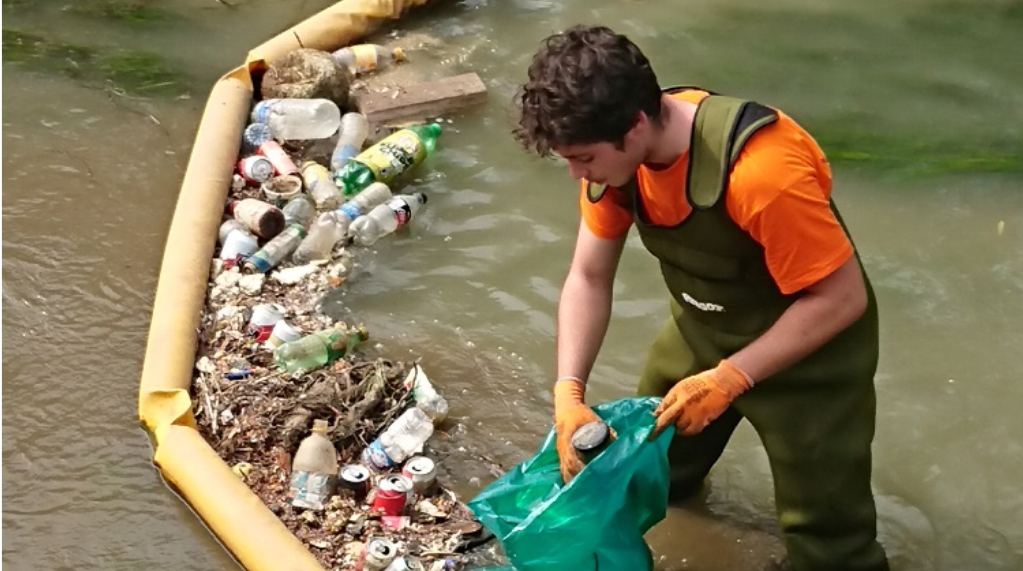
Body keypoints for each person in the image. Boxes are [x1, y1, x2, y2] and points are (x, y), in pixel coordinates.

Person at [513, 25, 889, 571]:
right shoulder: (615, 160)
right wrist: (568, 395)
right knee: (647, 471)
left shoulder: (762, 174)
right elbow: (588, 278)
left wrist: (732, 378)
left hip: (813, 359)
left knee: (830, 542)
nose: (576, 173)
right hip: (702, 332)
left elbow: (842, 297)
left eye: (583, 158)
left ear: (635, 125)